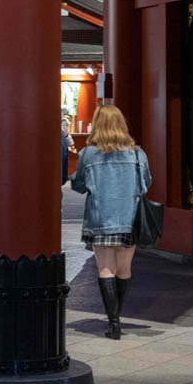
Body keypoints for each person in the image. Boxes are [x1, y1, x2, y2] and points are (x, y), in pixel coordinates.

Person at [68, 103, 151, 340]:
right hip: (129, 218)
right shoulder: (137, 153)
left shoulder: (88, 154)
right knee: (124, 270)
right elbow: (145, 184)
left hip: (100, 218)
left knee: (106, 269)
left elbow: (79, 185)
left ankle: (113, 323)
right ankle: (118, 316)